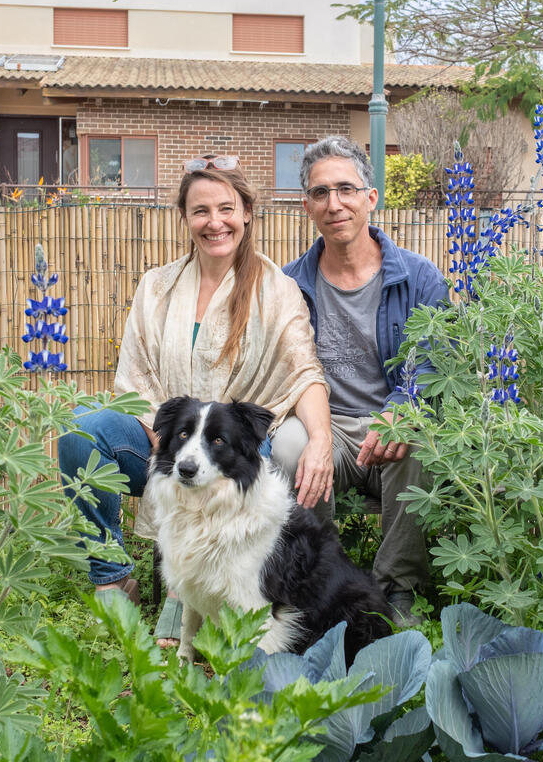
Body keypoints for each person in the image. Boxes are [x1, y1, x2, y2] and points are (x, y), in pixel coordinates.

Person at [58, 155, 333, 645]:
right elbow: (133, 378)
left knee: (242, 470)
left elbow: (304, 371)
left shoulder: (278, 290)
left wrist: (321, 438)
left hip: (232, 452)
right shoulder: (157, 286)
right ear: (185, 217)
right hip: (163, 440)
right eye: (200, 210)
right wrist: (170, 442)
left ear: (247, 212)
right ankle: (112, 578)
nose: (214, 222)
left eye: (226, 208)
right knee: (80, 429)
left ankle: (191, 588)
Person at [283, 136, 449, 626]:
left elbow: (433, 364)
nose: (334, 204)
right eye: (320, 193)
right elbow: (283, 370)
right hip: (325, 427)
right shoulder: (289, 284)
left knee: (419, 440)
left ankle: (397, 590)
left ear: (371, 198)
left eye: (346, 189)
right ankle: (320, 584)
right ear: (307, 206)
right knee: (288, 446)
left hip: (389, 423)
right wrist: (315, 433)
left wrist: (400, 410)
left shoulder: (418, 277)